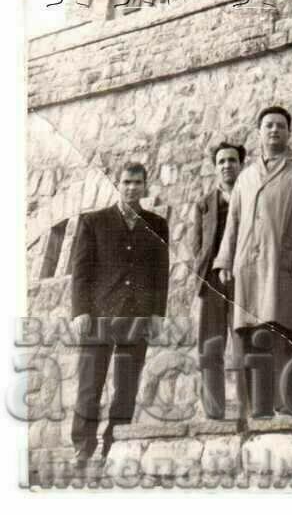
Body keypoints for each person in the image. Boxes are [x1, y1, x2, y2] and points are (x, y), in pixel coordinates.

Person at [214, 106, 292, 417]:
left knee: (284, 330)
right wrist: (224, 261)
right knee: (250, 335)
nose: (274, 131)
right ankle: (256, 410)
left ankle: (285, 405)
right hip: (247, 264)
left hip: (283, 261)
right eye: (268, 126)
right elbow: (233, 222)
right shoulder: (246, 176)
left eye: (280, 126)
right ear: (259, 133)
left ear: (289, 132)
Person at [70, 161, 169, 469]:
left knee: (126, 385)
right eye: (126, 182)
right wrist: (80, 311)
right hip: (99, 315)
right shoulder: (93, 222)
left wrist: (157, 315)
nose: (131, 188)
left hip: (137, 316)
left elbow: (160, 273)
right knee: (90, 384)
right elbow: (81, 272)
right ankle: (83, 447)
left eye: (137, 183)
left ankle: (115, 443)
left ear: (145, 187)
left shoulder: (157, 224)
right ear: (117, 184)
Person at [190, 140, 246, 419]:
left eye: (232, 160)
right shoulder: (203, 204)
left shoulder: (248, 197)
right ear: (215, 168)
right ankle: (214, 412)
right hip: (212, 282)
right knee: (210, 347)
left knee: (243, 346)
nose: (227, 165)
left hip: (242, 279)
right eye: (222, 161)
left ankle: (248, 410)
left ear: (241, 164)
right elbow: (197, 246)